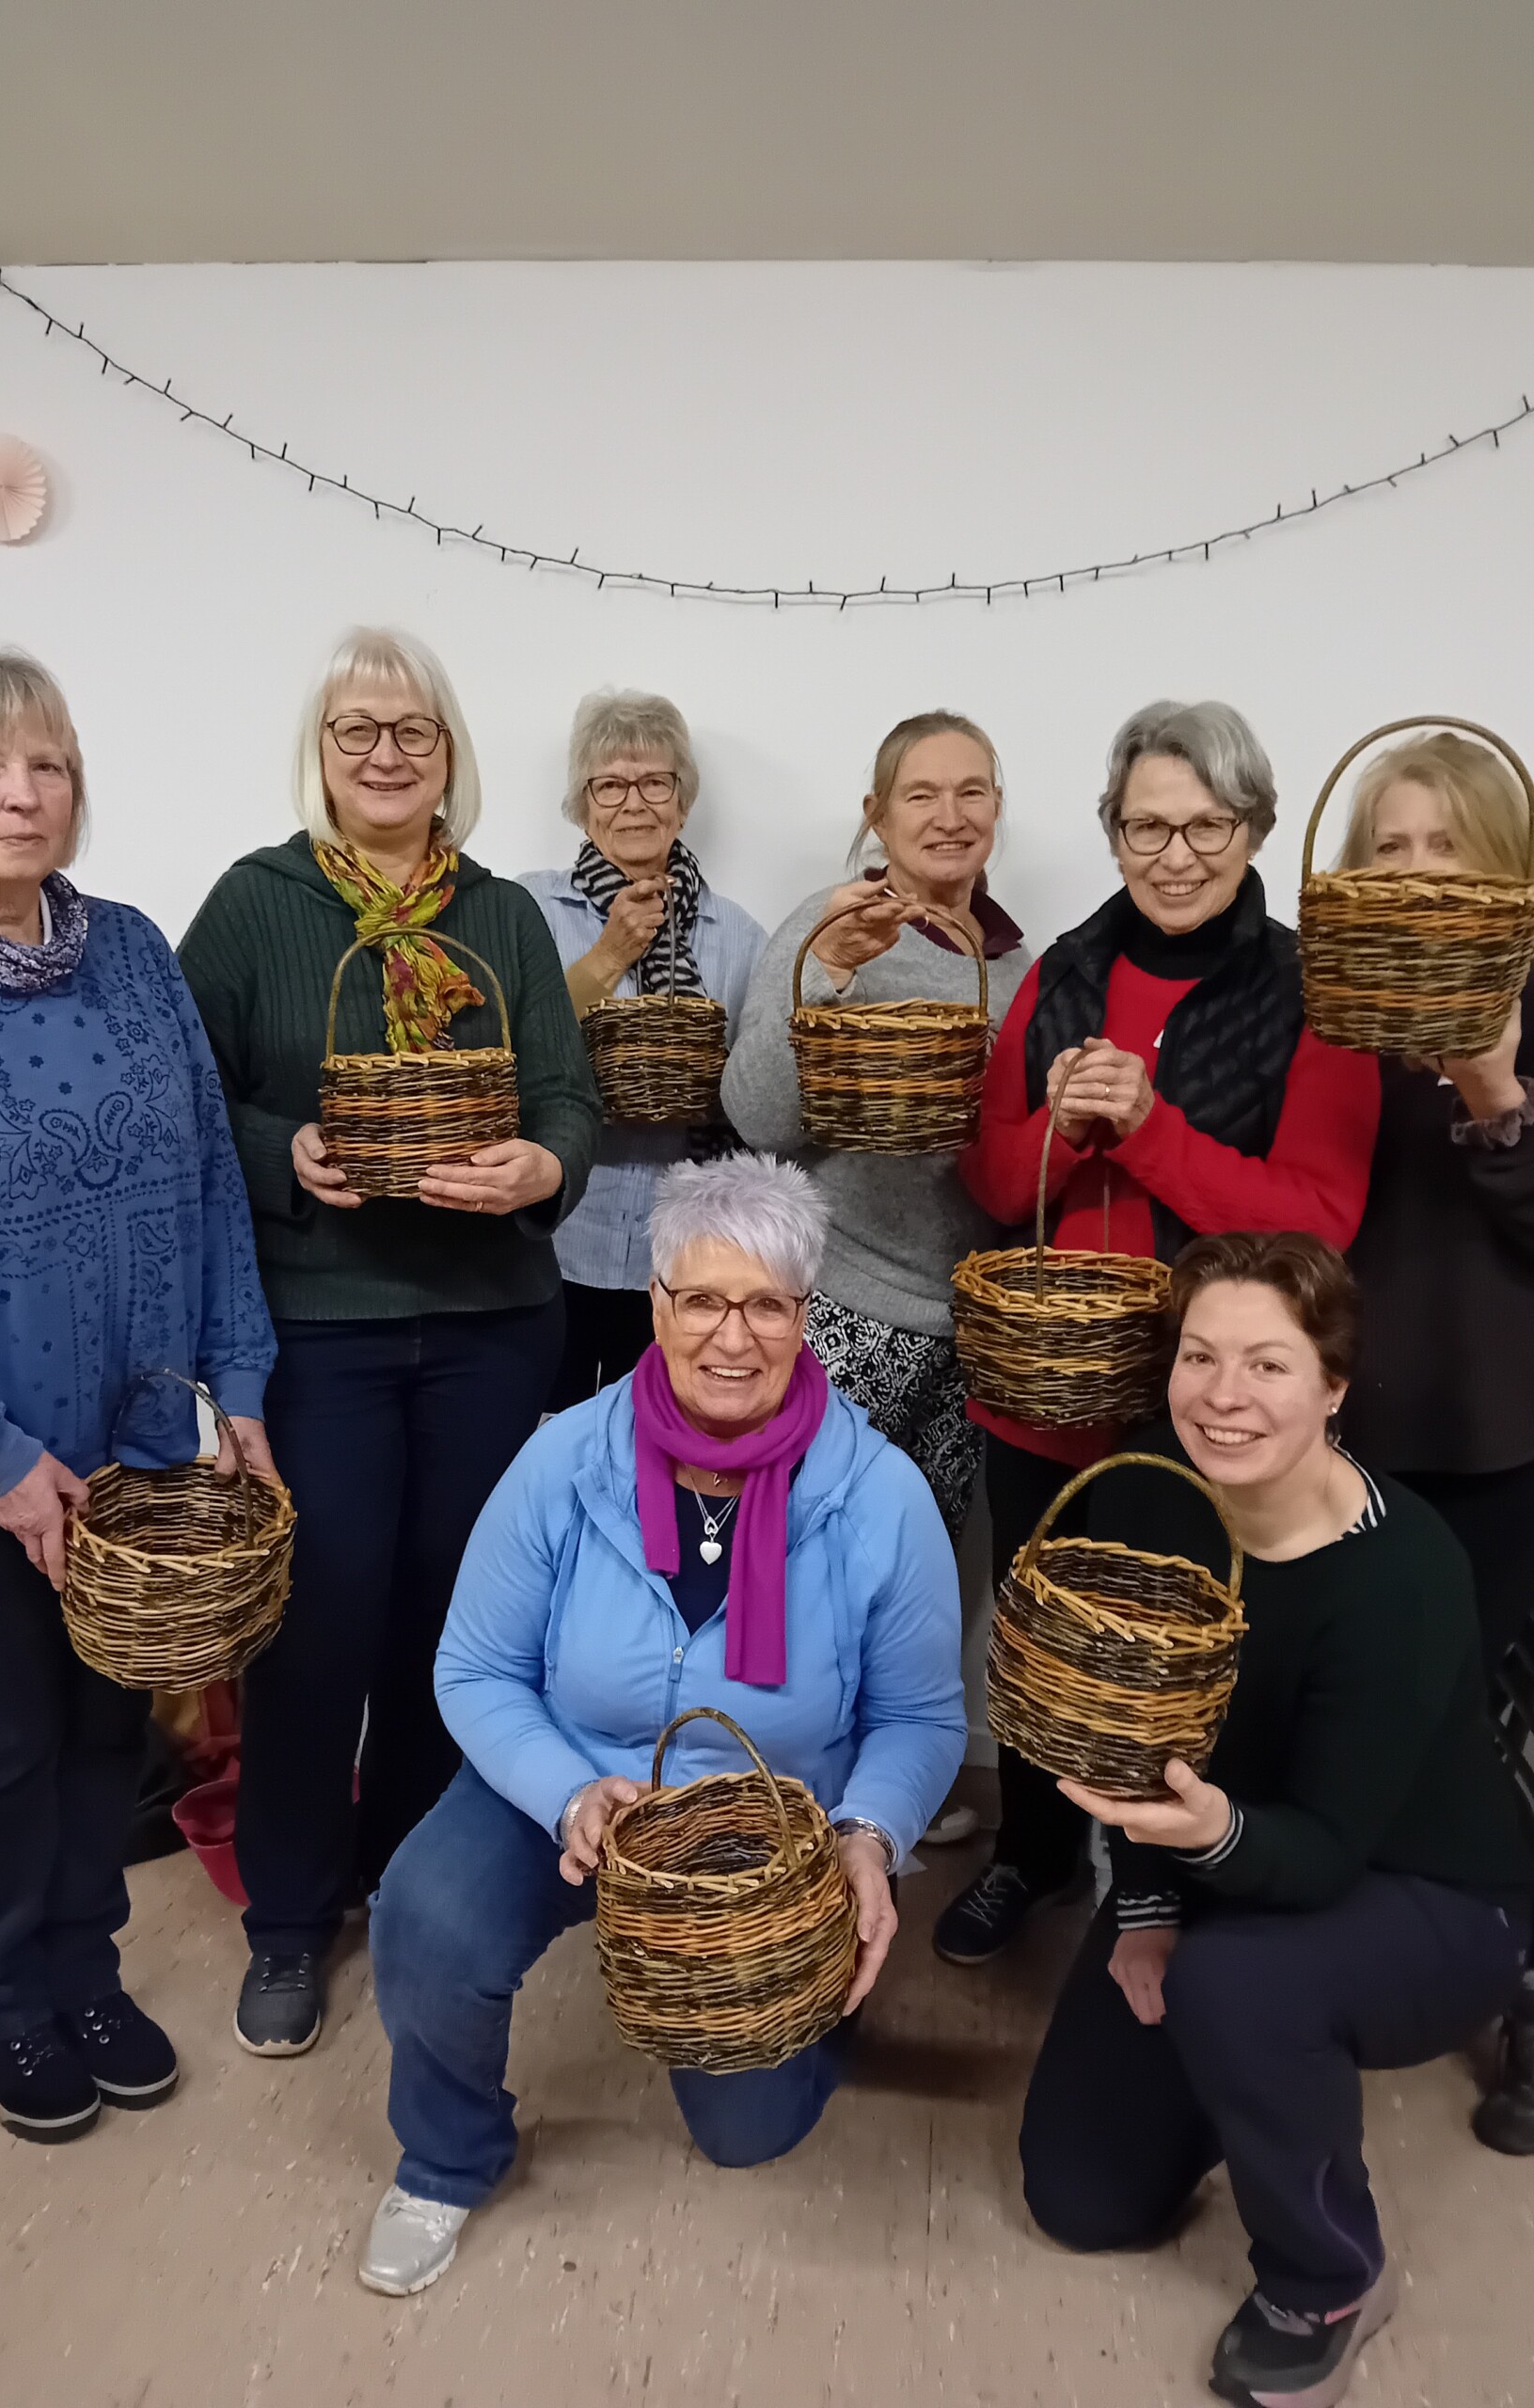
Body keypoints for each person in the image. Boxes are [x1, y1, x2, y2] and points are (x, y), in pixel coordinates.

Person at [360, 1154, 965, 2295]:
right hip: (576, 1788)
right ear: (656, 1305)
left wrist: (869, 1836)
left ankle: (807, 1994)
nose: (731, 1337)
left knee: (749, 2133)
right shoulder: (561, 1459)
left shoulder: (880, 1494)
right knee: (425, 1918)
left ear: (805, 1313)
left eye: (767, 1305)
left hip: (767, 1843)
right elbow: (476, 1666)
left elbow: (922, 1716)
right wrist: (566, 1792)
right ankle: (445, 2154)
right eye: (702, 1300)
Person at [0, 646, 277, 2141]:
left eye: (49, 764)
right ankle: (5, 1998)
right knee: (6, 1729)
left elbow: (210, 1185)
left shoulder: (135, 951)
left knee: (103, 1725)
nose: (23, 795)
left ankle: (89, 1969)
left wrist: (242, 1387)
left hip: (128, 1434)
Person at [1019, 1232, 1534, 2408]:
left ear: (1333, 1385)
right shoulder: (1152, 1492)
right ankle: (1252, 2070)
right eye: (1199, 1356)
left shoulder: (1401, 1574)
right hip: (1217, 1857)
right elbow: (1125, 1750)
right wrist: (1146, 1905)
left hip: (1428, 1895)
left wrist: (1196, 1846)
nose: (1222, 1395)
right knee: (1083, 2198)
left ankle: (1327, 2277)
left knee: (1237, 1987)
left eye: (1267, 1364)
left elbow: (1321, 1850)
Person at [179, 626, 601, 2060]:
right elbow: (185, 1101)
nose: (385, 755)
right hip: (324, 1328)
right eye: (358, 730)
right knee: (316, 1622)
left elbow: (565, 1099)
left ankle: (413, 1884)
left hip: (492, 1326)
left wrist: (542, 1173)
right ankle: (289, 1922)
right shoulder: (256, 905)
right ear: (323, 750)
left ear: (450, 755)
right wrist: (287, 1151)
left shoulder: (500, 916)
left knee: (453, 1627)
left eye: (413, 731)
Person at [934, 699, 1382, 1967]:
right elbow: (988, 1176)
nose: (1174, 853)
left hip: (1213, 1402)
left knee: (1183, 1657)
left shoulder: (1315, 993)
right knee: (1036, 1637)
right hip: (1042, 1386)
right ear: (1113, 832)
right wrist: (1062, 1134)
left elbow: (1319, 1220)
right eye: (1146, 825)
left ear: (1254, 828)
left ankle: (1168, 1884)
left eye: (1205, 825)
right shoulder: (1064, 969)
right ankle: (1028, 1855)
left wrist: (1149, 1131)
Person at [1337, 731, 1534, 2152]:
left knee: (1415, 1713)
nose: (1413, 869)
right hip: (1364, 1432)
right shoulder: (1343, 1025)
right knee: (1371, 1702)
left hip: (1523, 1434)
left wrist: (1495, 1089)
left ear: (1504, 865)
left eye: (1443, 843)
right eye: (1387, 846)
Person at [720, 711, 1031, 1539]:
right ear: (878, 815)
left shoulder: (1017, 968)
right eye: (921, 795)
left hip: (966, 1335)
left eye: (972, 792)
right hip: (841, 1313)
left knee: (908, 1583)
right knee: (791, 1565)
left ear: (998, 806)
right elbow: (753, 1114)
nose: (950, 815)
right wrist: (829, 969)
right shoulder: (831, 928)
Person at [518, 689, 766, 1405]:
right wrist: (608, 955)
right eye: (610, 784)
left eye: (655, 782)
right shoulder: (529, 910)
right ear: (582, 803)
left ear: (682, 802)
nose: (634, 803)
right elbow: (511, 1054)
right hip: (551, 1244)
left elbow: (752, 1096)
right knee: (543, 1448)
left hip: (682, 1260)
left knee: (655, 1451)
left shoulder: (740, 936)